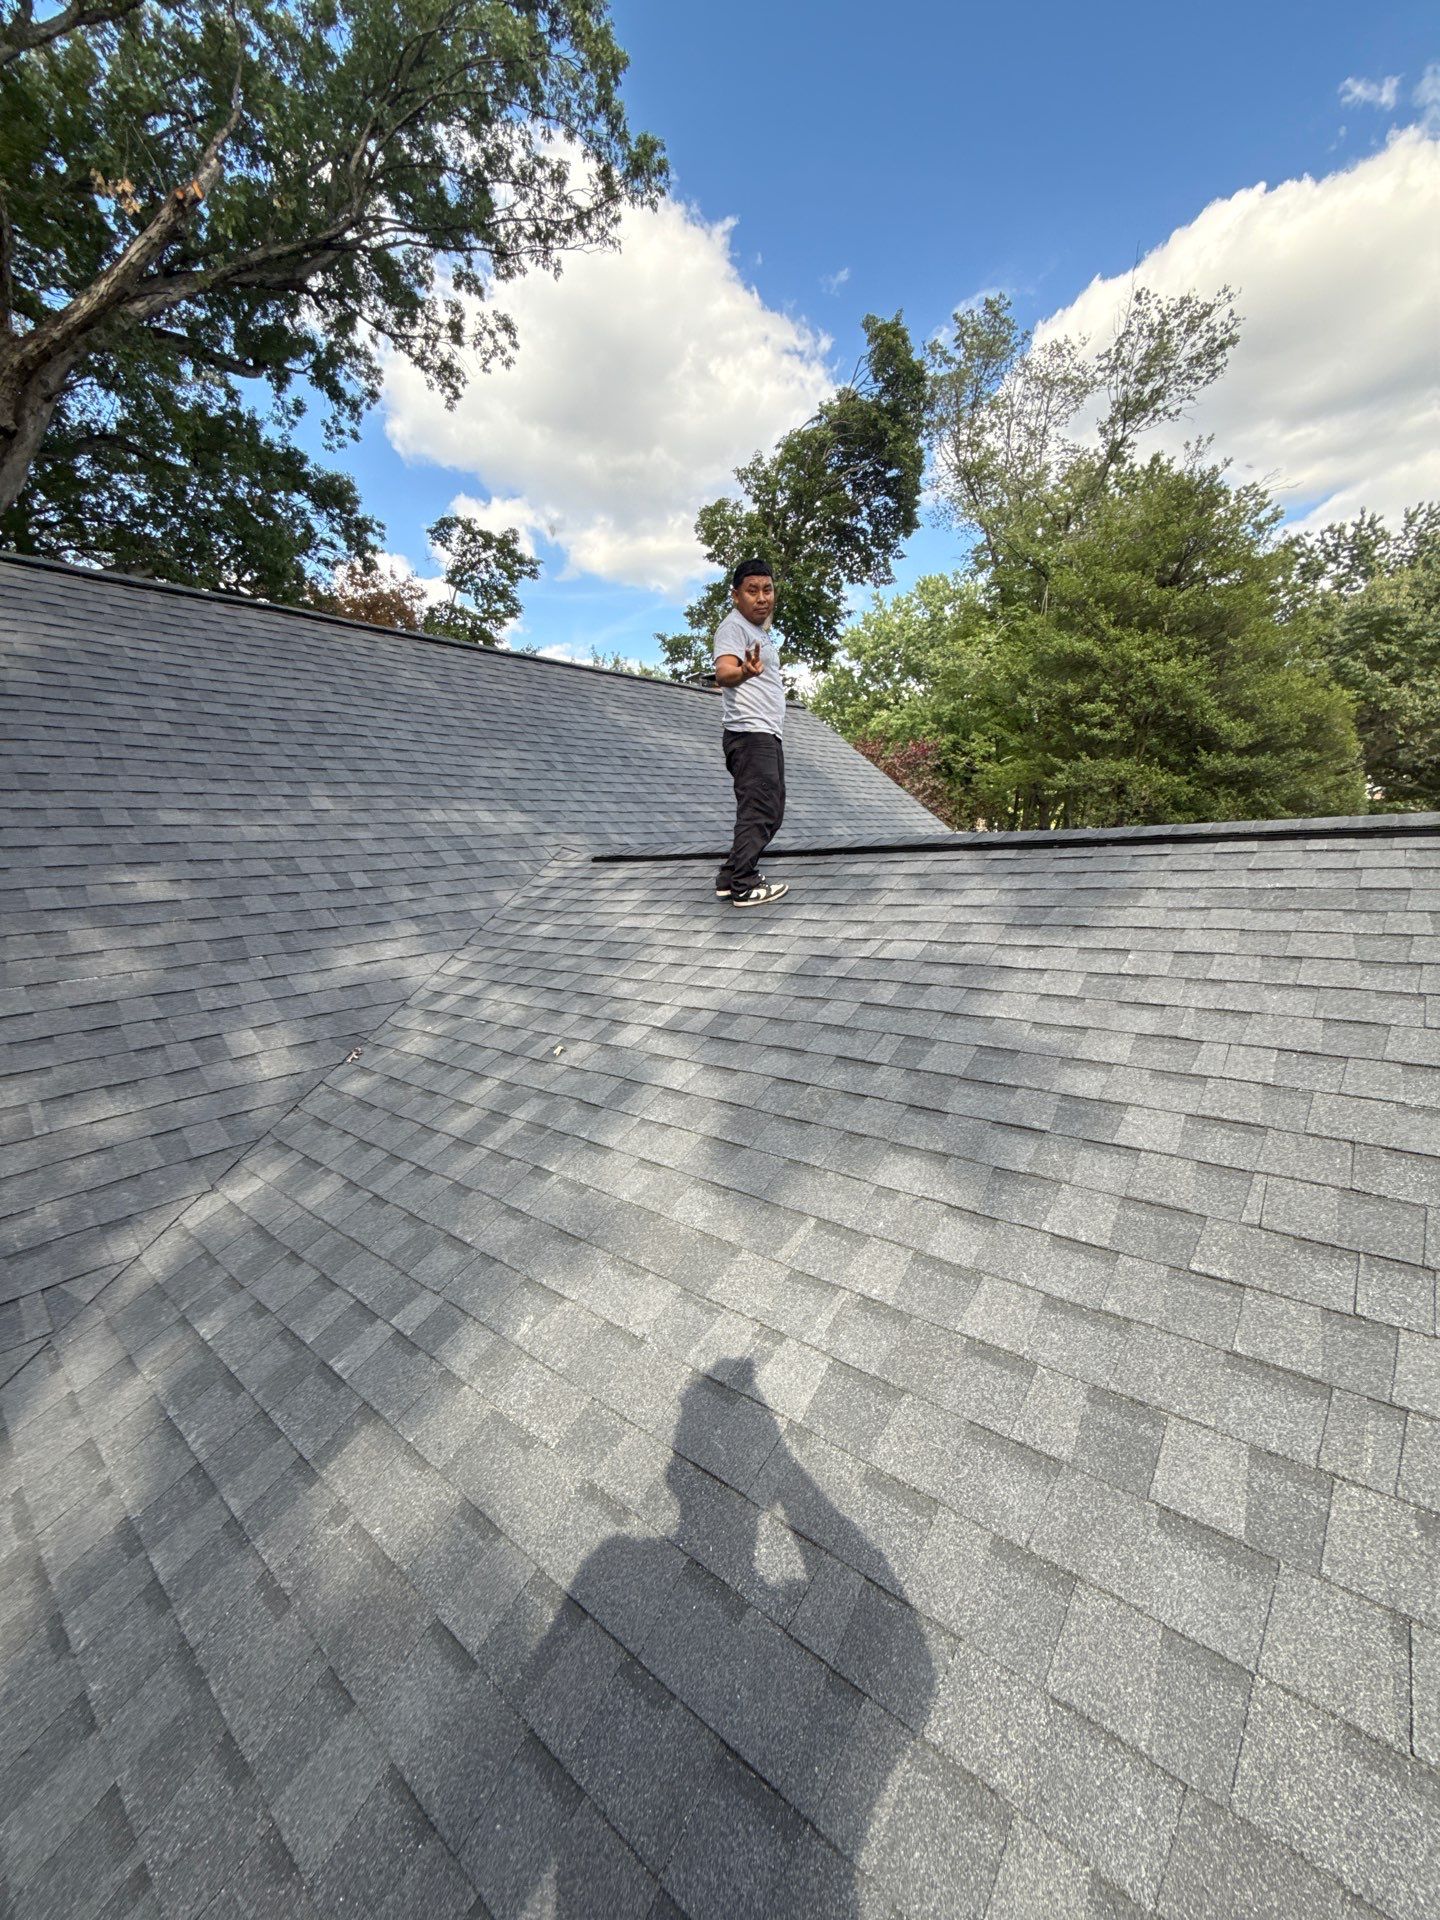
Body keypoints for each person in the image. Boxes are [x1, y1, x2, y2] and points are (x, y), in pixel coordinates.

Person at [713, 558, 790, 908]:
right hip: (750, 733)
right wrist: (743, 672)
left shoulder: (760, 631)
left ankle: (730, 877)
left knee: (770, 808)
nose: (762, 598)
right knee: (761, 810)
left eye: (768, 590)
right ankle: (744, 884)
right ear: (736, 596)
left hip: (764, 733)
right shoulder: (733, 628)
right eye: (752, 591)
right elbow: (723, 673)